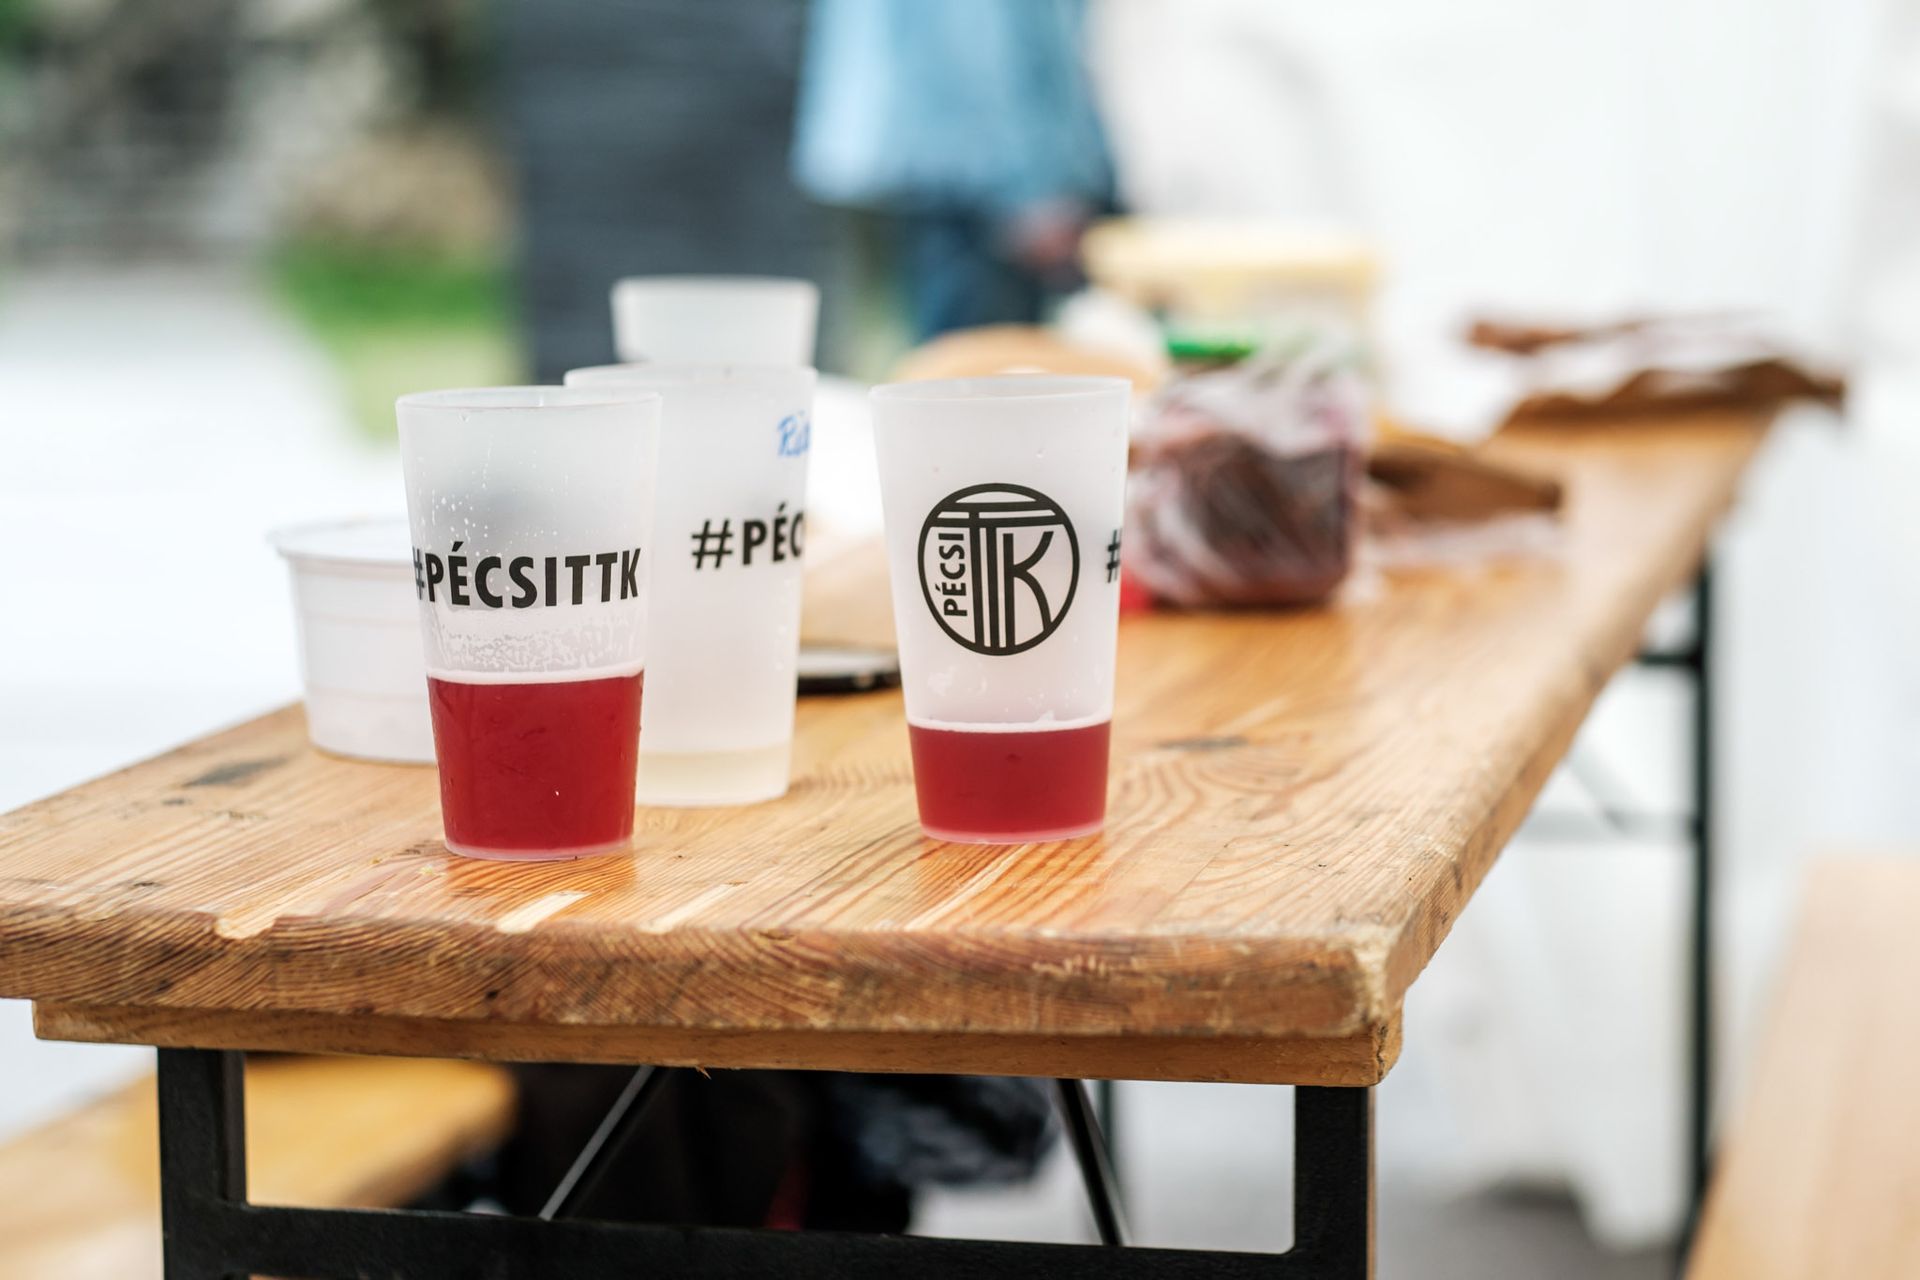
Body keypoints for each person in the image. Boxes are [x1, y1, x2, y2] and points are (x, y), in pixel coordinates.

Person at [791, 0, 1114, 340]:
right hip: (985, 183)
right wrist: (1032, 190)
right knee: (980, 357)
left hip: (941, 164)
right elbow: (978, 52)